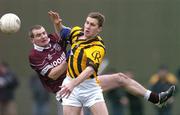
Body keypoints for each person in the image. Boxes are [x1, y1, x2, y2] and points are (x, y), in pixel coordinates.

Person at [28, 11, 175, 114]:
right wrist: (58, 24)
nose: (87, 26)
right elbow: (63, 33)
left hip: (87, 85)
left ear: (99, 29)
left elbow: (90, 69)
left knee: (120, 78)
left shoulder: (97, 46)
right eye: (86, 23)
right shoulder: (75, 34)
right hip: (66, 87)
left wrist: (72, 78)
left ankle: (157, 98)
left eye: (92, 25)